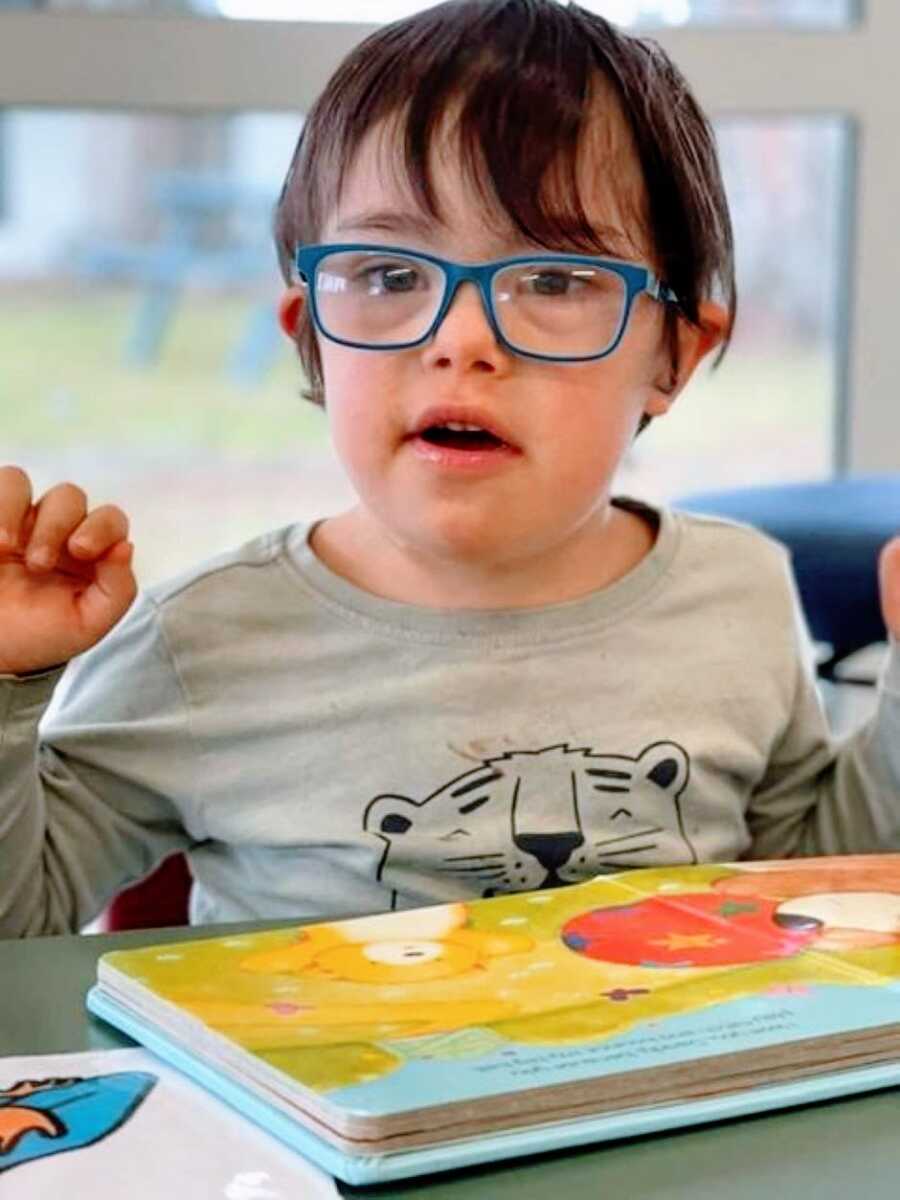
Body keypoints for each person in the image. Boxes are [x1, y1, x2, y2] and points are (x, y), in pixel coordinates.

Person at [1, 0, 898, 938]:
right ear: (312, 340)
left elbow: (815, 880)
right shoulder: (202, 641)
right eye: (390, 276)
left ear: (673, 356)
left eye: (555, 279)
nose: (462, 340)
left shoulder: (737, 590)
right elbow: (19, 928)